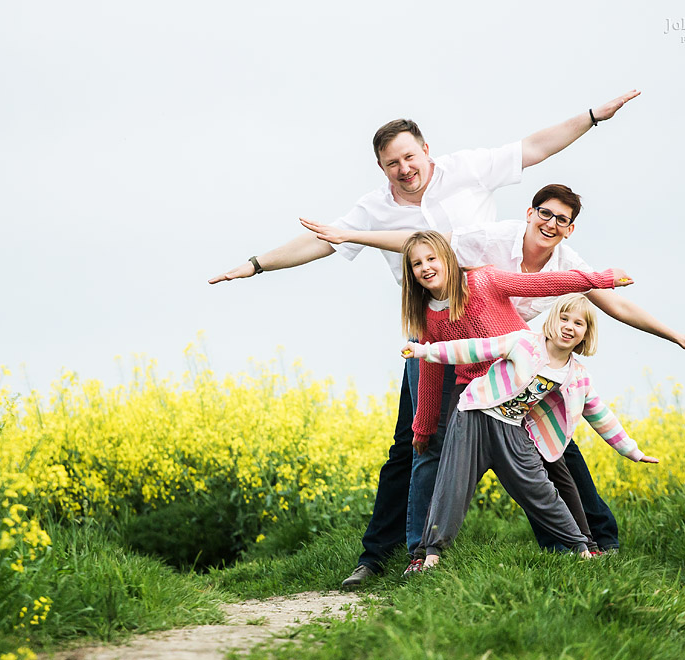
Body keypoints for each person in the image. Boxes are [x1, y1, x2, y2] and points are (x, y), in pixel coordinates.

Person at [208, 92, 642, 588]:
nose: (404, 168)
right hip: (432, 338)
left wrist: (592, 117)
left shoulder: (467, 170)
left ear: (426, 151)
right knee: (415, 445)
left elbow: (535, 147)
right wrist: (256, 264)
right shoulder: (373, 209)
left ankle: (590, 541)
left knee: (551, 436)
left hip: (497, 334)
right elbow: (322, 241)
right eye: (392, 163)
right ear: (380, 167)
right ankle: (384, 556)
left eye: (410, 157)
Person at [301, 183, 685, 555]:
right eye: (545, 213)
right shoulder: (485, 248)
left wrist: (666, 328)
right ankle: (414, 550)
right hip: (467, 366)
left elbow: (561, 287)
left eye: (562, 219)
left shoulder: (533, 269)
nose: (552, 223)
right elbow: (423, 255)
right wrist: (350, 234)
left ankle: (585, 542)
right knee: (424, 449)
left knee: (556, 452)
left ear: (570, 228)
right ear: (530, 212)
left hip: (517, 365)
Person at [405, 293, 658, 570]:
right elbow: (475, 349)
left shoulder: (578, 376)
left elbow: (600, 415)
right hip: (474, 417)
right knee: (453, 485)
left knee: (542, 490)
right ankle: (430, 555)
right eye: (564, 318)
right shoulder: (523, 343)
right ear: (552, 320)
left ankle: (582, 549)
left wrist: (632, 450)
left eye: (578, 323)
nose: (569, 327)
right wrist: (424, 352)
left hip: (512, 430)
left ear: (586, 334)